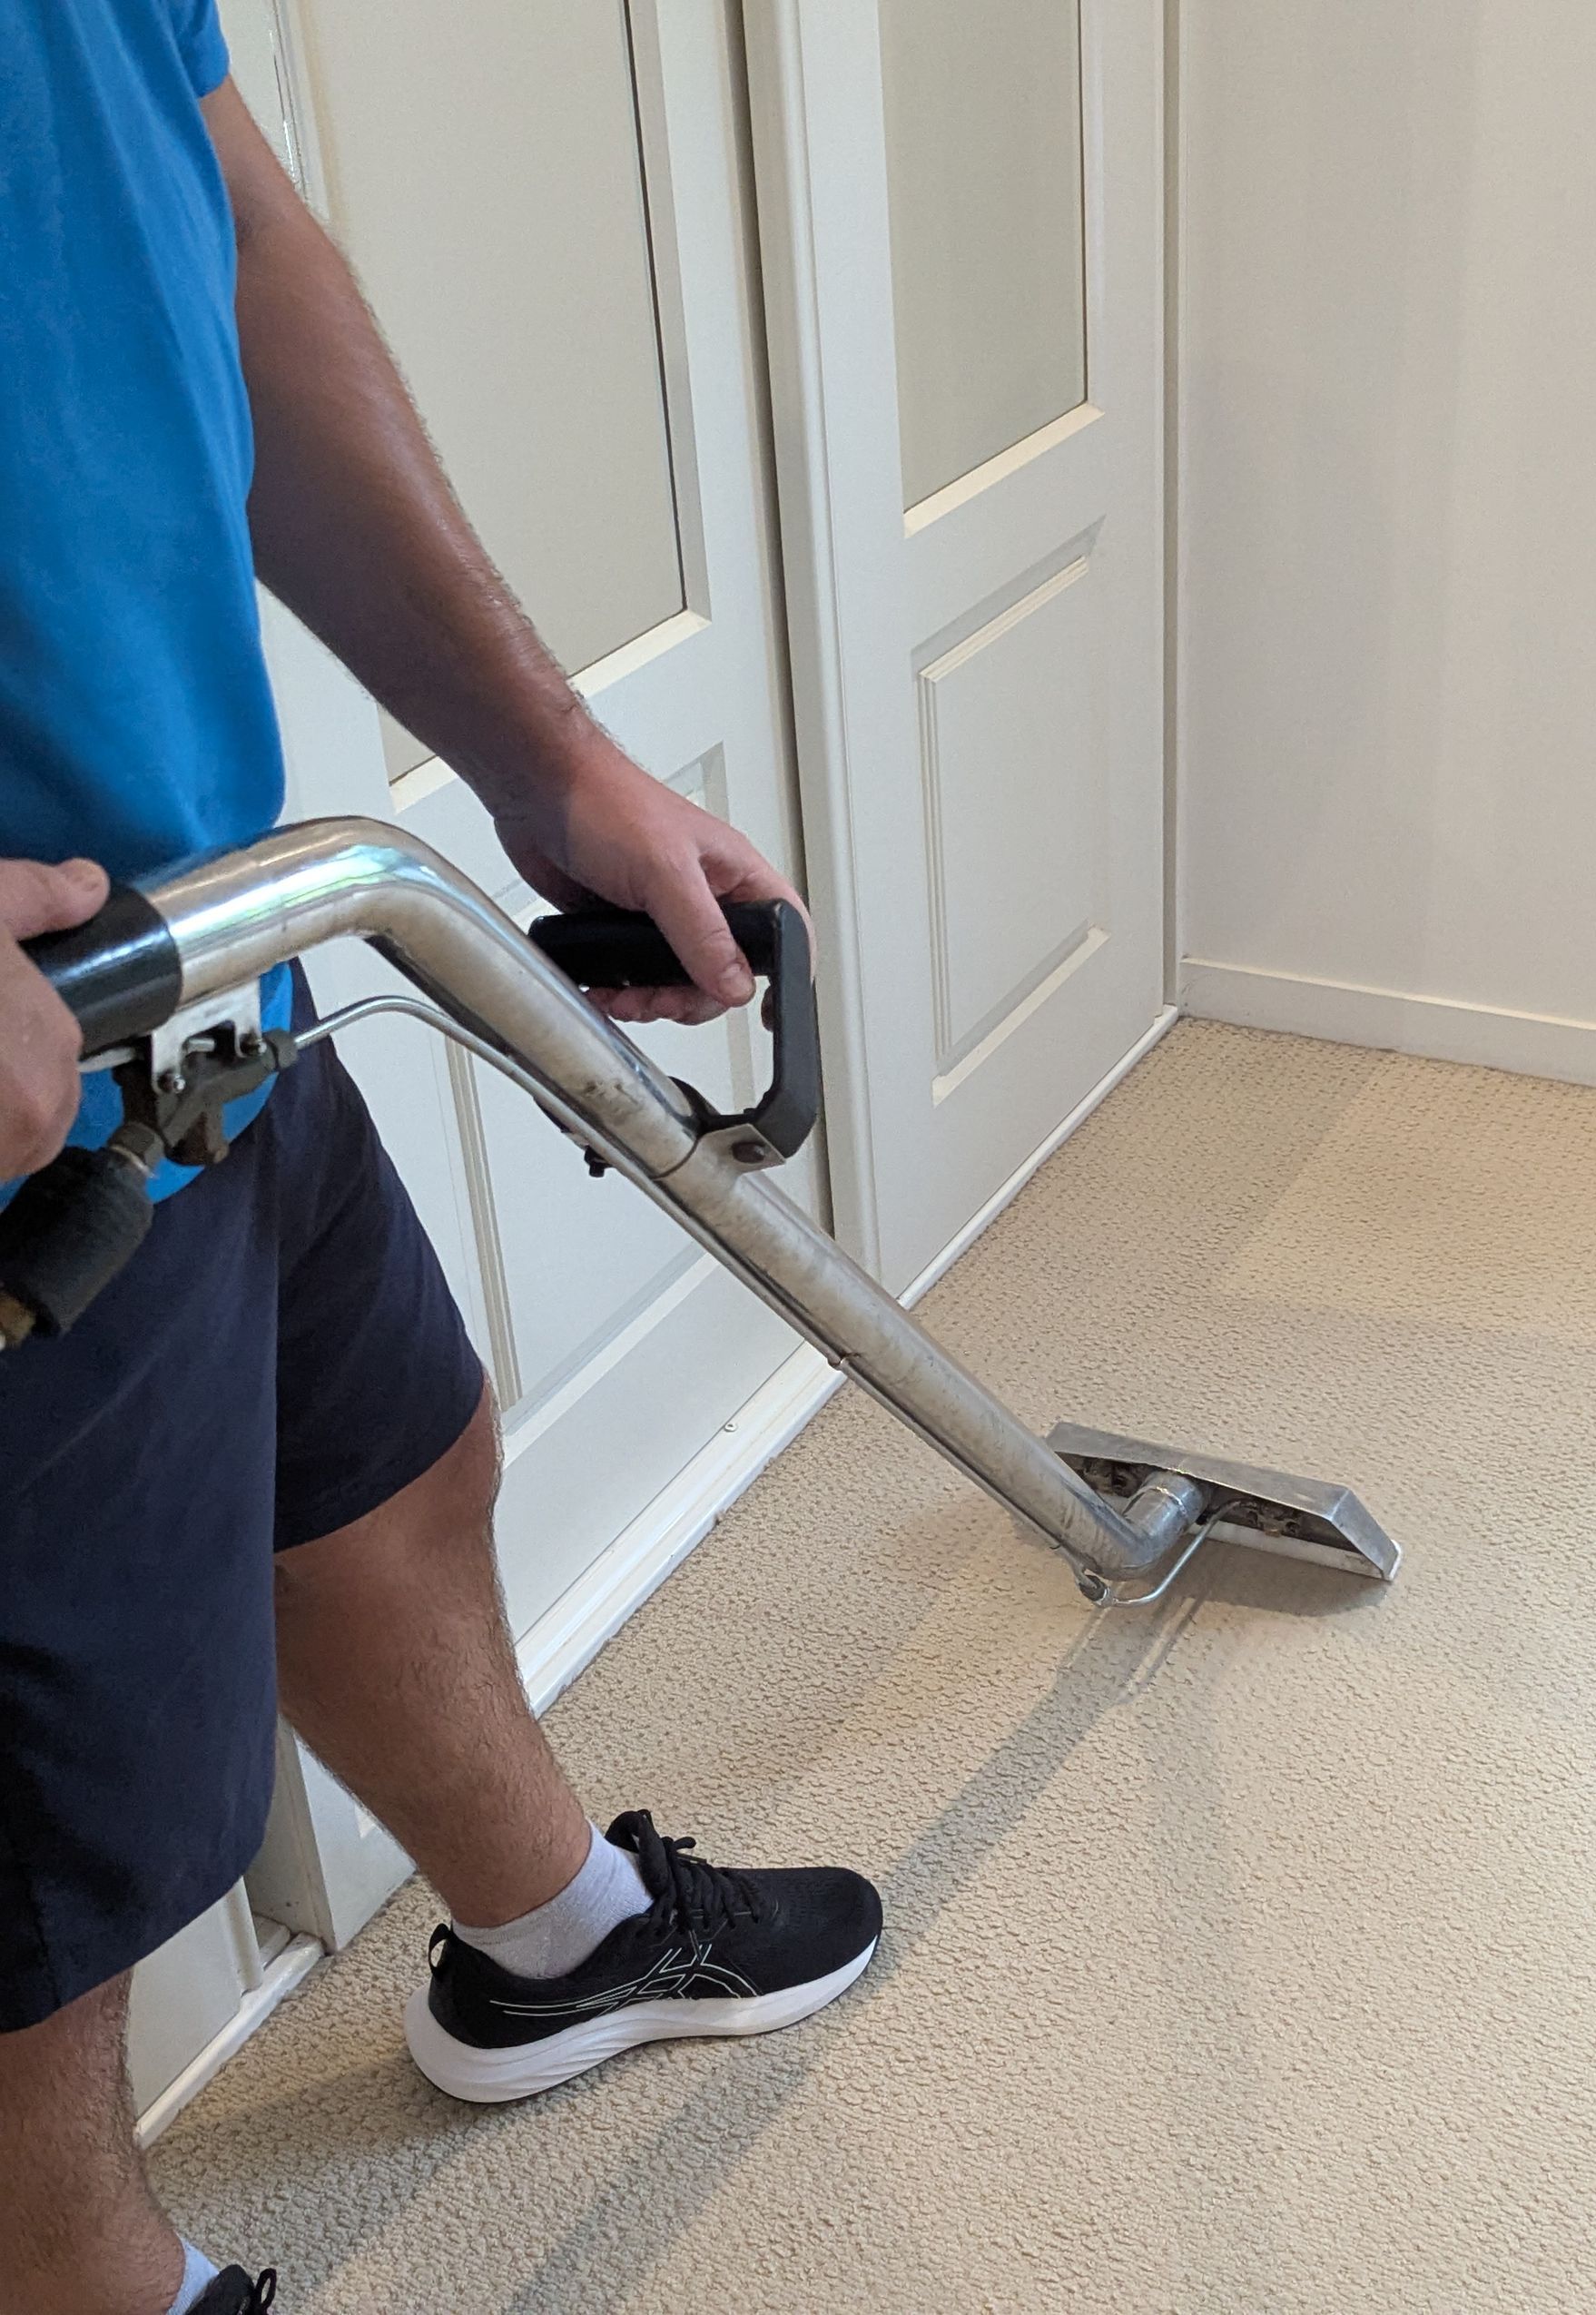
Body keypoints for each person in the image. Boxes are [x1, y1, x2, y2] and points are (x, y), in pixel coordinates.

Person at [0, 8, 882, 2312]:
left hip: (207, 919)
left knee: (390, 1466)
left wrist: (544, 752)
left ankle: (551, 1941)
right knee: (49, 1870)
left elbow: (225, 226)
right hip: (17, 1072)